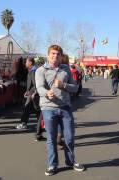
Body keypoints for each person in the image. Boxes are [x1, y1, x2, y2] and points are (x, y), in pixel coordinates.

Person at [35, 45, 85, 176]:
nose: (55, 56)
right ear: (48, 55)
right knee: (51, 139)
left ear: (61, 56)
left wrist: (63, 85)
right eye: (53, 53)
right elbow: (39, 88)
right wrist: (46, 93)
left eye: (58, 54)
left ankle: (71, 161)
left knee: (69, 137)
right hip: (48, 108)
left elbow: (75, 88)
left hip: (65, 108)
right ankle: (52, 165)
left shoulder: (66, 69)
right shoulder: (40, 70)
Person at [16, 57, 46, 140]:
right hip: (32, 93)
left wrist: (34, 92)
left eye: (26, 62)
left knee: (28, 108)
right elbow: (31, 83)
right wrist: (28, 90)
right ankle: (40, 127)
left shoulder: (34, 71)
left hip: (33, 94)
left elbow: (36, 83)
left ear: (30, 62)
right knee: (37, 111)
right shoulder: (32, 70)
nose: (25, 63)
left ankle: (25, 124)